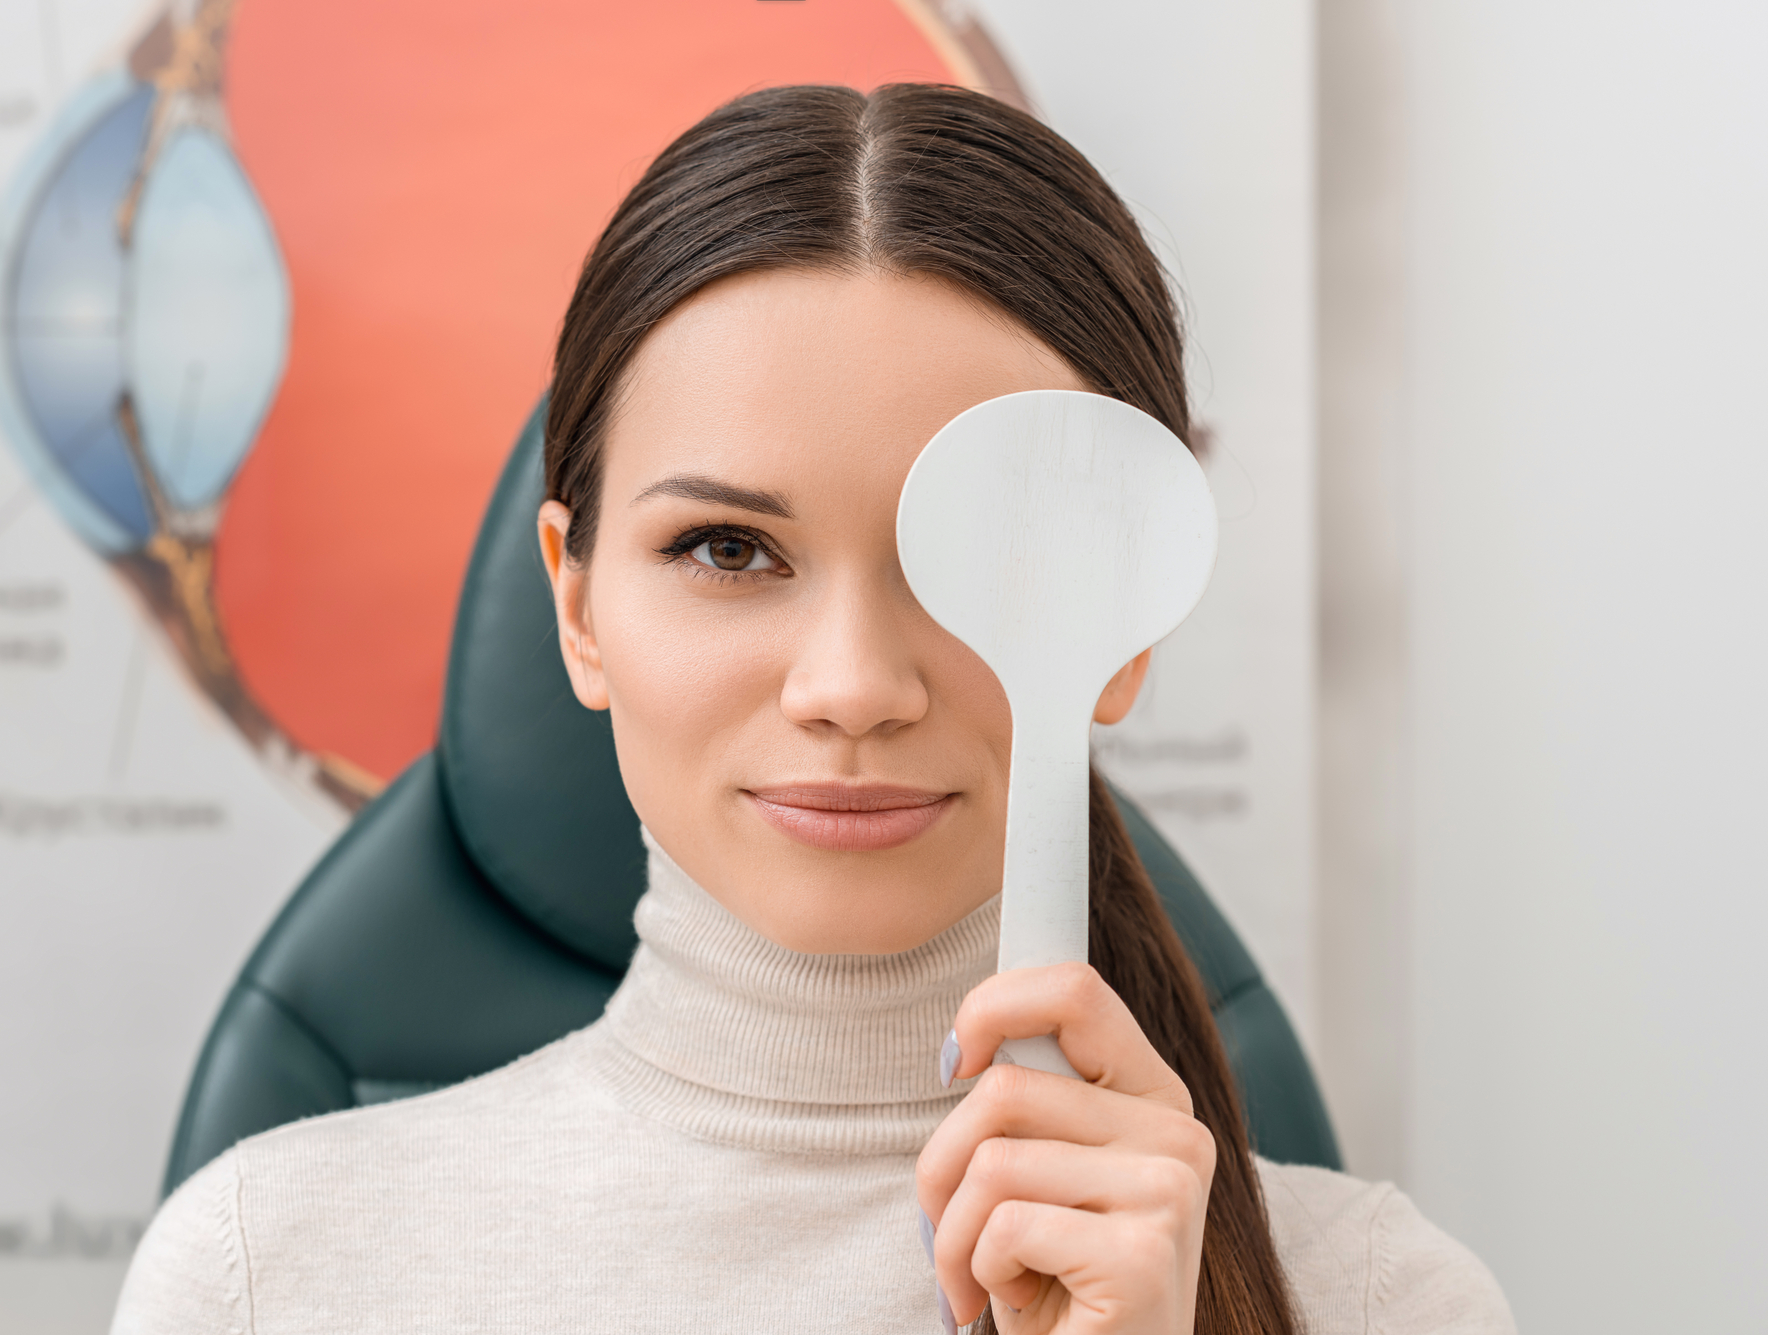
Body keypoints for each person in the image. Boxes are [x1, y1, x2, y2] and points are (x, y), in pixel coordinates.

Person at [113, 84, 1514, 1335]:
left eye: (978, 561)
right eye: (728, 550)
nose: (850, 685)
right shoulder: (266, 1279)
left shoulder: (1388, 1307)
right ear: (578, 605)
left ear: (1127, 623)